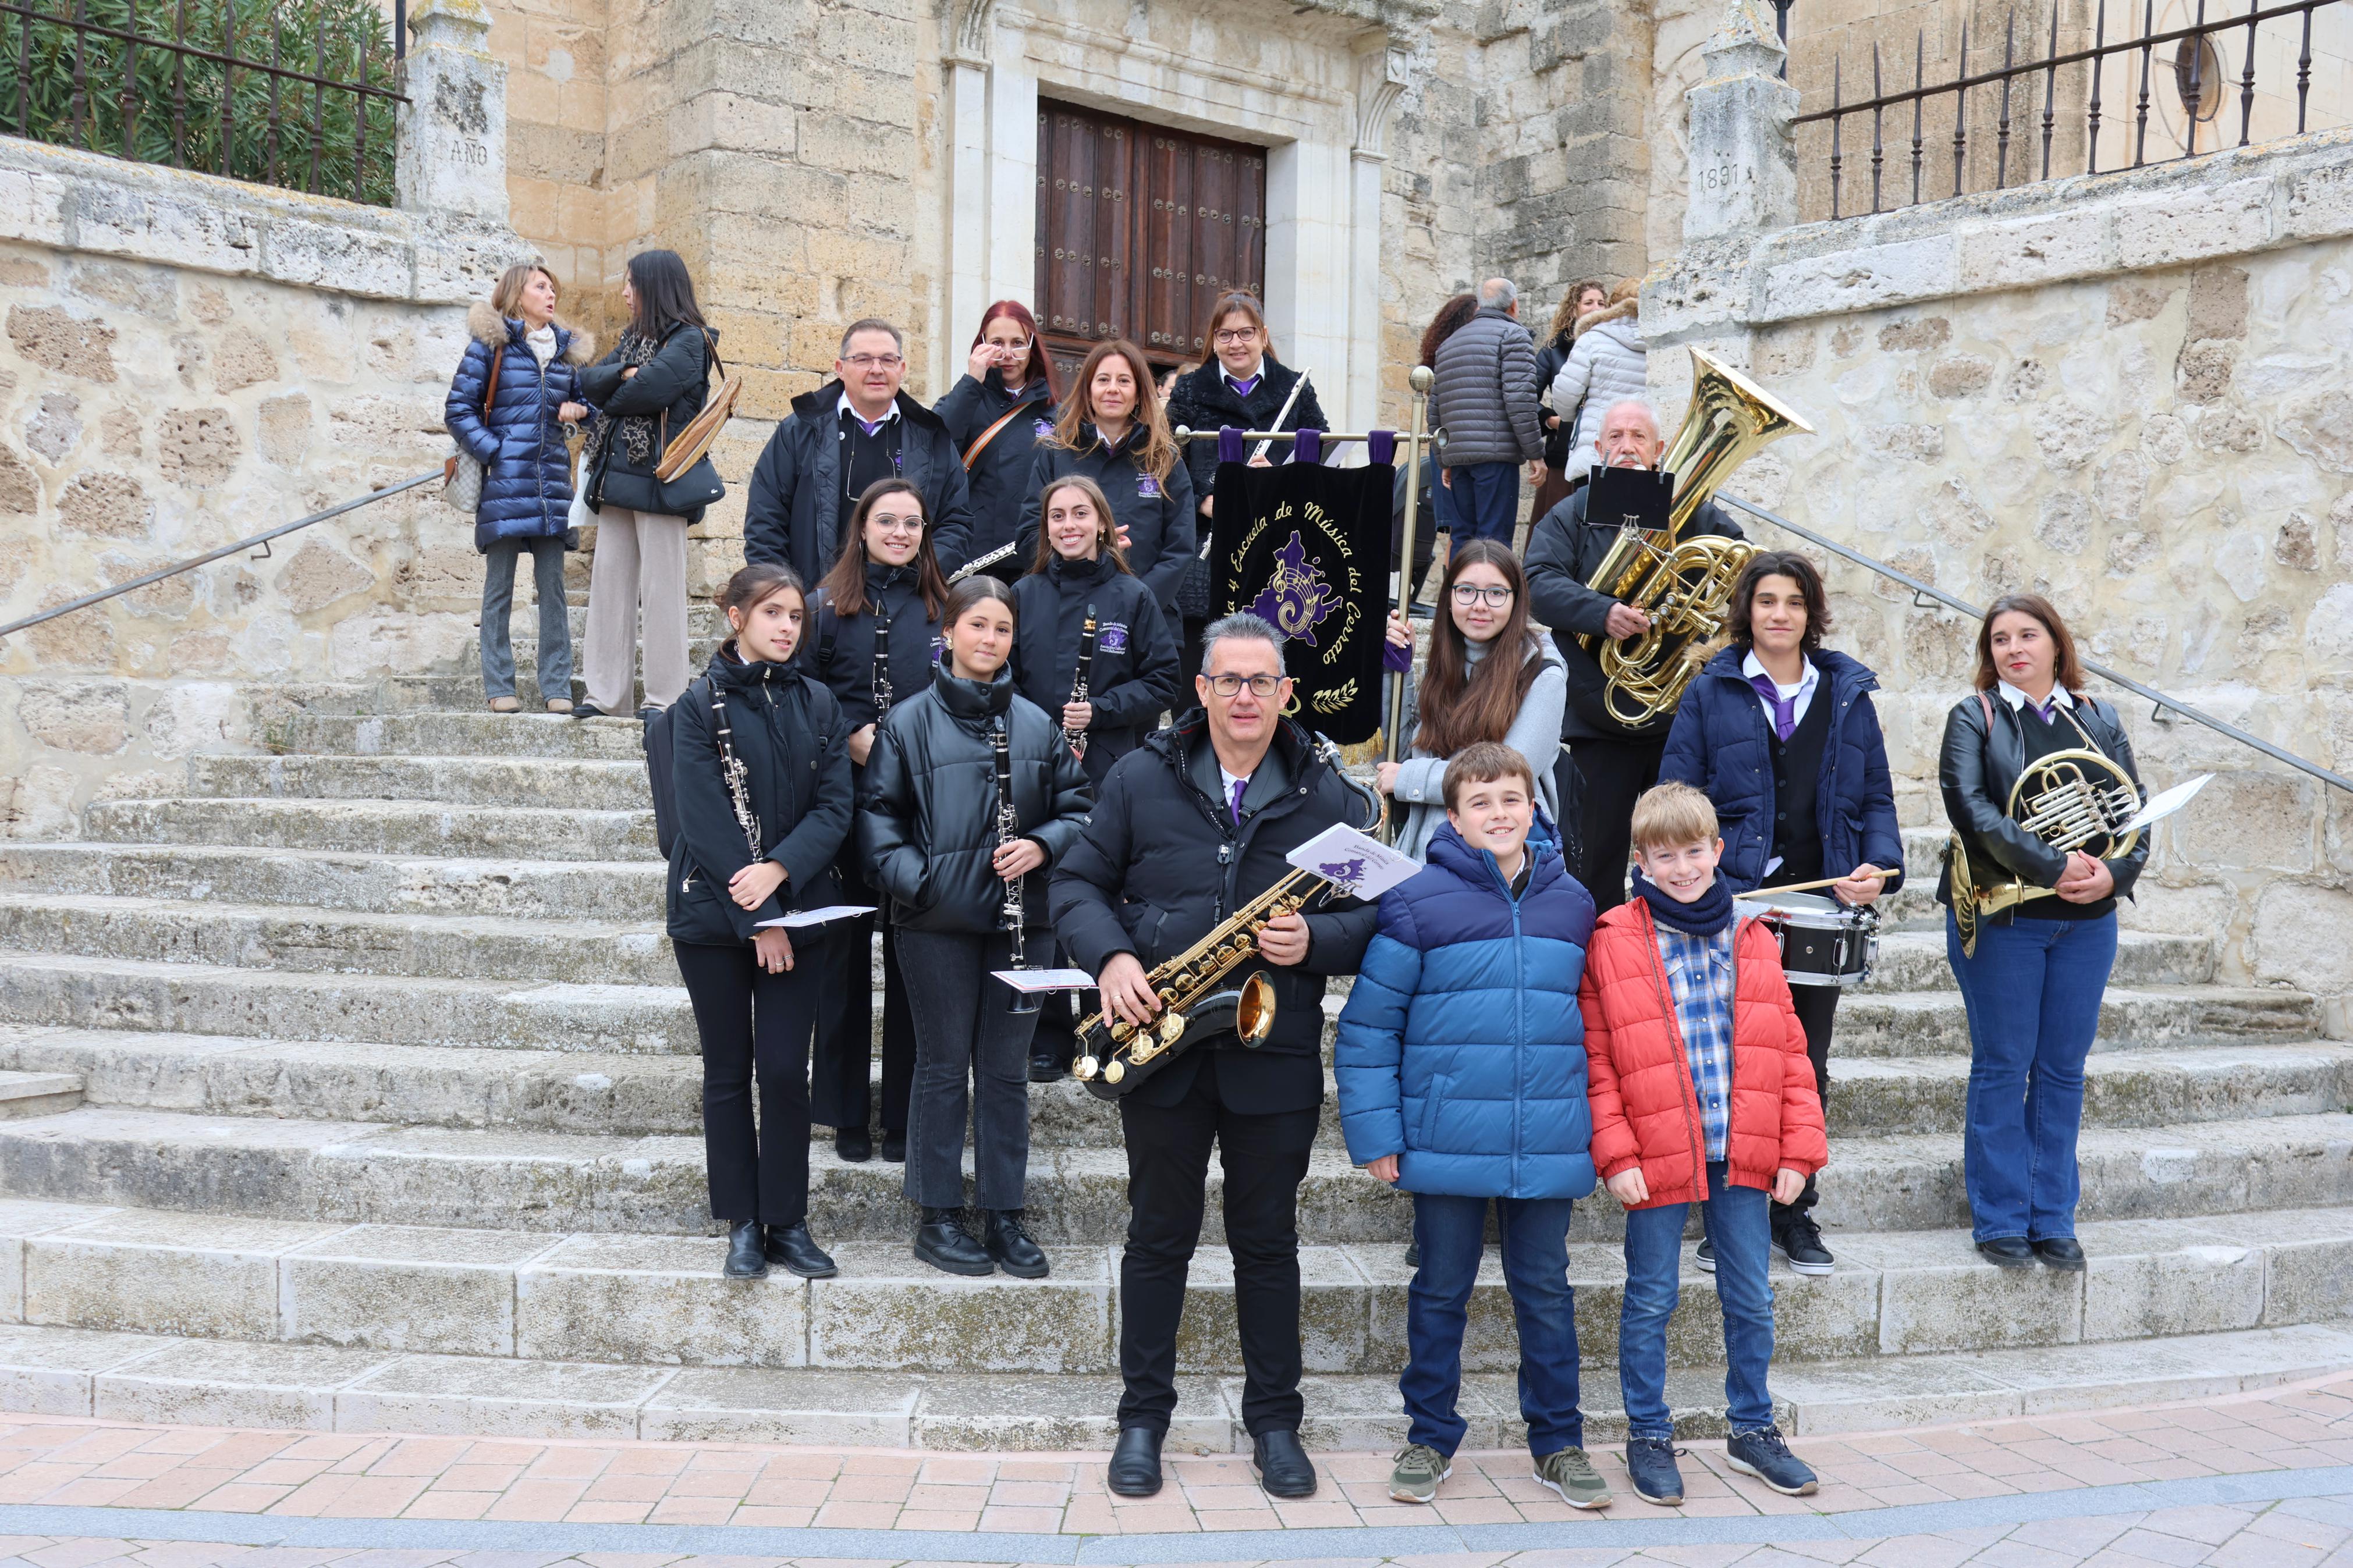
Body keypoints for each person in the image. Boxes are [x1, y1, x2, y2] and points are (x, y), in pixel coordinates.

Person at [1049, 613, 1378, 1503]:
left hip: (1272, 1053)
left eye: (1260, 681)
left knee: (1266, 1243)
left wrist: (1313, 937)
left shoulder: (1332, 795)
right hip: (1163, 1051)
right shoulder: (1138, 775)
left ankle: (1274, 1421)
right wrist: (1113, 957)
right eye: (1227, 680)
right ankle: (1142, 1418)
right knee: (1156, 1238)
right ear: (1199, 689)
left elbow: (1372, 921)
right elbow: (1074, 882)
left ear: (1286, 692)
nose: (1243, 696)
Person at [1333, 742, 1610, 1510]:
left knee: (1546, 1293)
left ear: (1534, 808)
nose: (1497, 813)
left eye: (1510, 799)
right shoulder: (1417, 900)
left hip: (1547, 1136)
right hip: (1445, 1137)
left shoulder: (1574, 903)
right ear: (1451, 816)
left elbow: (1594, 1024)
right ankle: (1428, 1434)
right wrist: (1377, 1134)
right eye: (1479, 802)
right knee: (1439, 1290)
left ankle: (1558, 1442)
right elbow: (1366, 1028)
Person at [1579, 783, 1826, 1507]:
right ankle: (1648, 1435)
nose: (1682, 867)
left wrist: (1796, 1150)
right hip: (1656, 1150)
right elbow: (1598, 1059)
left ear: (1717, 852)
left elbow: (1788, 1050)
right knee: (1650, 1297)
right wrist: (1615, 1155)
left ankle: (1752, 1428)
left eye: (1694, 851)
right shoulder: (1613, 937)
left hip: (1741, 1148)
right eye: (1664, 855)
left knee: (1748, 1296)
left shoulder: (1749, 936)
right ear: (1641, 860)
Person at [1659, 553, 1903, 1275]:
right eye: (1765, 600)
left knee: (1803, 1066)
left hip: (1820, 909)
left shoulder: (1848, 694)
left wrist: (1879, 869)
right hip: (1734, 907)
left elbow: (1878, 801)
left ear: (1810, 613)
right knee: (1733, 1063)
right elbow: (1676, 795)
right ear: (1746, 609)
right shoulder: (1710, 690)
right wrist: (1696, 874)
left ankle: (1794, 1212)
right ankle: (1728, 1216)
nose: (1778, 614)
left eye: (1793, 602)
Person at [860, 577, 1092, 1278]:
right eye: (977, 626)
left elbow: (1081, 810)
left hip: (1025, 922)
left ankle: (1003, 1214)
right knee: (940, 1068)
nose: (989, 640)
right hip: (935, 924)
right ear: (949, 633)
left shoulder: (1035, 723)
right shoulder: (906, 723)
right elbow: (876, 825)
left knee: (1004, 1072)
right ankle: (937, 1216)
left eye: (1001, 629)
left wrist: (1043, 844)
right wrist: (925, 885)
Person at [1939, 594, 2146, 1271]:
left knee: (2061, 1071)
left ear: (2056, 643)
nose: (2013, 648)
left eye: (2027, 635)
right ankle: (2000, 1218)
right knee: (2002, 1065)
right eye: (1999, 639)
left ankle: (2051, 1216)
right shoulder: (1974, 716)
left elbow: (2132, 816)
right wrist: (2057, 864)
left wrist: (2112, 876)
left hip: (2086, 924)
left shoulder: (2098, 717)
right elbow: (1971, 810)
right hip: (2007, 917)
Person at [666, 562, 853, 1282]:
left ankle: (787, 1219)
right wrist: (760, 919)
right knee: (727, 1071)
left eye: (795, 617)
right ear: (734, 616)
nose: (785, 627)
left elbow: (836, 807)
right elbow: (705, 822)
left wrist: (779, 873)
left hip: (798, 906)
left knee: (782, 1071)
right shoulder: (696, 705)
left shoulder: (818, 703)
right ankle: (742, 1223)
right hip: (714, 919)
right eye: (771, 613)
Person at [1524, 396, 1745, 911]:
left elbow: (1744, 571)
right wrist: (1601, 611)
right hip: (1597, 710)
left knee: (1680, 854)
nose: (1626, 446)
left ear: (1659, 450)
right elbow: (1535, 582)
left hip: (1677, 719)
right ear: (1599, 449)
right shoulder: (1572, 512)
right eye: (1616, 438)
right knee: (1596, 858)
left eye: (1638, 437)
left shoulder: (1695, 514)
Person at [797, 477, 948, 1165]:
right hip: (843, 802)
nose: (899, 533)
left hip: (921, 807)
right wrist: (848, 733)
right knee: (842, 961)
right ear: (862, 529)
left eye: (911, 523)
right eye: (886, 521)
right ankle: (846, 1115)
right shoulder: (824, 606)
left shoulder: (944, 606)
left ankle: (904, 1118)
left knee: (916, 963)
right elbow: (798, 694)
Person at [1010, 475, 1181, 1082]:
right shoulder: (1022, 594)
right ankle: (1051, 1033)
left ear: (1103, 524)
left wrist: (1100, 711)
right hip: (1039, 771)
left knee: (1104, 895)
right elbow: (1002, 682)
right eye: (1057, 516)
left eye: (1079, 514)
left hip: (1109, 770)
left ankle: (1110, 1022)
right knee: (1046, 901)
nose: (1068, 526)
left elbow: (1164, 681)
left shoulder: (1132, 597)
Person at [445, 262, 591, 716]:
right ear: (516, 294)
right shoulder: (491, 346)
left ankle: (556, 687)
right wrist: (495, 451)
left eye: (554, 288)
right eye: (541, 287)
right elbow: (458, 408)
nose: (551, 295)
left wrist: (579, 412)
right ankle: (499, 686)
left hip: (551, 485)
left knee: (553, 590)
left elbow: (591, 406)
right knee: (500, 590)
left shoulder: (567, 354)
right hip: (506, 485)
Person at [576, 250, 713, 721]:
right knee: (609, 587)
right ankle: (604, 696)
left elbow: (645, 392)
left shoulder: (690, 341)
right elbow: (586, 381)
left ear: (654, 287)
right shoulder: (633, 341)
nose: (624, 292)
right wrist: (623, 373)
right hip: (618, 479)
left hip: (662, 479)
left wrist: (620, 384)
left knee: (662, 592)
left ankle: (665, 698)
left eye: (631, 283)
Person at [1166, 291, 1329, 683]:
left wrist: (1277, 471)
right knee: (1200, 666)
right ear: (1213, 339)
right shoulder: (1189, 390)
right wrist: (1205, 500)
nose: (1235, 343)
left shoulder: (1294, 388)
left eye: (1245, 333)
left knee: (1265, 659)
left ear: (1263, 335)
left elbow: (1321, 445)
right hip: (1206, 543)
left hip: (1273, 541)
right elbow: (1167, 459)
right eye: (1224, 335)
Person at [744, 318, 978, 585]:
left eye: (888, 360)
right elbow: (765, 521)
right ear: (840, 368)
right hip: (817, 603)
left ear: (902, 368)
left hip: (905, 600)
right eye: (863, 359)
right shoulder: (800, 432)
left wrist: (920, 578)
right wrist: (786, 597)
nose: (876, 370)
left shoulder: (932, 437)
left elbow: (956, 522)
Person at [1376, 539, 1567, 862]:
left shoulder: (1542, 674)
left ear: (1515, 601)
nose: (1480, 605)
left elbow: (1510, 777)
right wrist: (1395, 672)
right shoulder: (1449, 662)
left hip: (1492, 863)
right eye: (1466, 590)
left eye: (1496, 593)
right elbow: (1391, 758)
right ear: (1449, 597)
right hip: (1423, 859)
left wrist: (1410, 778)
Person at [1019, 339, 1195, 620]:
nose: (1113, 389)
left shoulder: (1165, 458)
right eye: (1103, 380)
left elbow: (1180, 547)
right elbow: (1030, 535)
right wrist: (1076, 576)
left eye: (1124, 381)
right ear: (1088, 391)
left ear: (1139, 393)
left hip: (1150, 616)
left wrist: (1137, 603)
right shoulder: (1055, 453)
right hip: (1066, 611)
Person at [936, 301, 1059, 582]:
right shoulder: (964, 400)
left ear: (1032, 346)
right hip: (968, 558)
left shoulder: (1056, 415)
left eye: (1017, 343)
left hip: (1032, 562)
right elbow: (935, 446)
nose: (1007, 354)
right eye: (996, 343)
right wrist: (971, 381)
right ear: (981, 345)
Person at [1428, 278, 1542, 547]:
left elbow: (1435, 411)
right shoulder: (1514, 336)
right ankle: (1493, 591)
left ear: (1480, 305)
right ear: (1514, 305)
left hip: (1459, 460)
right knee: (1494, 541)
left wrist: (1444, 460)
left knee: (1463, 540)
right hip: (1496, 457)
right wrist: (1536, 454)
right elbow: (1520, 402)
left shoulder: (1448, 345)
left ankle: (1459, 590)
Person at [1548, 279, 1648, 487]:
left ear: (1613, 305)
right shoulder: (1662, 343)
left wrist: (1572, 418)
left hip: (1598, 449)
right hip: (1644, 454)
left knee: (1591, 516)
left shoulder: (1593, 339)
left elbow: (1564, 396)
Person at [1530, 279, 1606, 520]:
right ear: (1575, 309)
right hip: (1564, 451)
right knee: (1561, 524)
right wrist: (1551, 421)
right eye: (1589, 302)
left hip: (1605, 449)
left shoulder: (1615, 345)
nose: (1596, 307)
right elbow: (1525, 398)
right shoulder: (1553, 350)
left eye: (1602, 303)